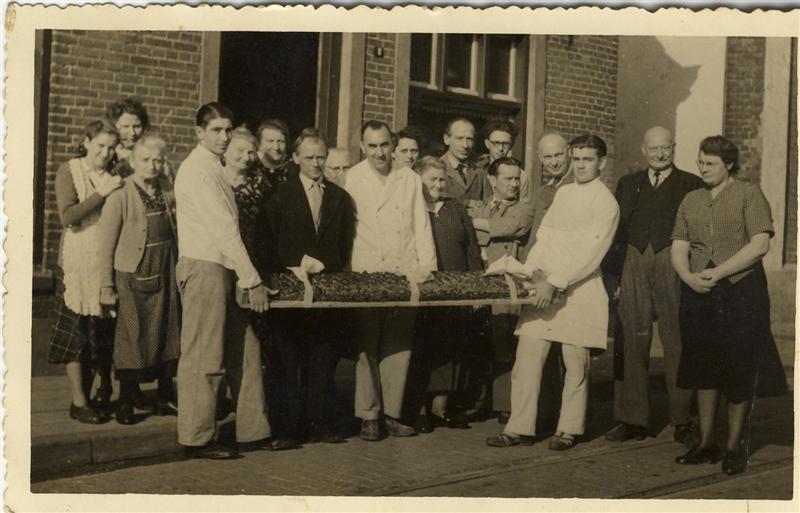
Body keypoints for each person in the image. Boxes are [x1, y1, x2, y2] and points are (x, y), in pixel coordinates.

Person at [487, 134, 619, 451]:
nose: (581, 166)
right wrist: (532, 270)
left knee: (575, 364)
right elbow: (545, 237)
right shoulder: (564, 193)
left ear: (601, 163)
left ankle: (568, 429)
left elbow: (591, 253)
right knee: (528, 357)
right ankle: (518, 427)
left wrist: (556, 281)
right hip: (543, 285)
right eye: (577, 159)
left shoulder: (606, 202)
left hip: (579, 291)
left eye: (588, 160)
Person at [671, 135, 786, 475]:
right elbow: (679, 244)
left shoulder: (749, 194)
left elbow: (760, 244)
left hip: (740, 292)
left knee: (739, 366)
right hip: (699, 291)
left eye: (710, 164)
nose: (703, 169)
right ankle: (706, 443)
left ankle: (734, 447)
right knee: (703, 365)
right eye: (700, 162)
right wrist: (688, 276)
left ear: (729, 165)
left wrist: (718, 272)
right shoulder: (691, 199)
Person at [174, 102, 274, 459]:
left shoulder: (213, 168)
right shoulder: (197, 171)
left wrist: (242, 274)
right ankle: (196, 438)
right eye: (215, 130)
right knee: (205, 354)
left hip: (224, 267)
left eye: (228, 130)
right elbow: (223, 228)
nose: (223, 137)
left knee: (244, 348)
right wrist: (252, 279)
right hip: (205, 266)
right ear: (199, 132)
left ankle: (253, 430)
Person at [604, 126, 703, 447]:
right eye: (654, 148)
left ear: (674, 148)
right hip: (634, 260)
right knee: (631, 339)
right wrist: (614, 277)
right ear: (644, 150)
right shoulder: (628, 183)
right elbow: (616, 232)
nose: (660, 154)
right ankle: (632, 419)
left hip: (673, 261)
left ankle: (683, 419)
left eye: (666, 148)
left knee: (677, 340)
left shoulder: (691, 184)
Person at [345, 120, 437, 441]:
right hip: (368, 270)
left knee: (399, 344)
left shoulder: (408, 178)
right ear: (362, 147)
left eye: (384, 145)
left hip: (405, 269)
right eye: (372, 146)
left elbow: (421, 224)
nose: (379, 152)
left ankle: (392, 414)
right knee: (367, 344)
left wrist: (427, 267)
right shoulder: (353, 178)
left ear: (393, 145)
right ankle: (369, 415)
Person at [263, 128, 355, 445]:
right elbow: (268, 241)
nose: (316, 163)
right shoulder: (279, 194)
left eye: (321, 157)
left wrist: (329, 271)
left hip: (326, 289)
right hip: (290, 288)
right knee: (287, 359)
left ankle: (319, 421)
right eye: (309, 157)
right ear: (295, 158)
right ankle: (287, 429)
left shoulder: (340, 198)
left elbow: (343, 246)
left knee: (322, 358)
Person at [97, 135, 180, 425]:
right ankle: (126, 401)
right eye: (145, 159)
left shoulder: (166, 189)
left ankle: (164, 395)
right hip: (132, 274)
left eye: (157, 160)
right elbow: (105, 245)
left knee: (167, 332)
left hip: (166, 268)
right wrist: (106, 285)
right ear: (132, 161)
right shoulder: (121, 194)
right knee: (132, 335)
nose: (152, 165)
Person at [48, 119, 122, 424]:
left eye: (111, 147)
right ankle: (78, 401)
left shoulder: (114, 176)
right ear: (87, 142)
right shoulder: (70, 170)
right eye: (100, 145)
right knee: (75, 334)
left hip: (104, 263)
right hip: (75, 265)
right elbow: (68, 216)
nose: (105, 153)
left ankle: (92, 398)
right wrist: (102, 194)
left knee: (99, 334)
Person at [404, 156, 481, 433]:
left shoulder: (455, 208)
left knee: (450, 349)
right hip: (425, 293)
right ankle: (418, 410)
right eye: (432, 180)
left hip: (456, 292)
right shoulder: (411, 210)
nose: (438, 185)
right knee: (421, 349)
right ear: (418, 181)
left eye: (442, 179)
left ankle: (440, 408)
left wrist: (475, 288)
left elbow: (471, 248)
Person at [468, 157, 533, 423]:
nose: (514, 184)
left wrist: (477, 223)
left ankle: (505, 405)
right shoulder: (483, 205)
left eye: (517, 178)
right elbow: (477, 236)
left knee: (504, 341)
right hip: (480, 282)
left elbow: (512, 227)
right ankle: (481, 401)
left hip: (507, 283)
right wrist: (490, 228)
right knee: (480, 342)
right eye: (508, 178)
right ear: (493, 180)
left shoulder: (525, 207)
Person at [518, 132, 575, 432]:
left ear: (568, 153)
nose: (554, 162)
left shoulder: (578, 187)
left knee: (567, 354)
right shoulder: (542, 192)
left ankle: (562, 419)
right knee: (539, 350)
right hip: (540, 278)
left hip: (566, 279)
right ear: (539, 159)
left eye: (558, 155)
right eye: (548, 157)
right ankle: (543, 415)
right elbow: (532, 233)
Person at [439, 118, 491, 205]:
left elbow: (488, 201)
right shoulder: (436, 168)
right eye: (459, 138)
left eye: (469, 139)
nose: (465, 145)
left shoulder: (480, 169)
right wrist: (466, 202)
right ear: (446, 139)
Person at [475, 120, 528, 201]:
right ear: (487, 144)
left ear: (511, 145)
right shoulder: (477, 169)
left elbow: (522, 204)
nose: (501, 149)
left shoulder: (520, 175)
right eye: (496, 143)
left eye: (506, 144)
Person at [254, 118, 292, 188]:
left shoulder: (292, 168)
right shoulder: (250, 168)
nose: (276, 147)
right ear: (259, 144)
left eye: (281, 141)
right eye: (270, 141)